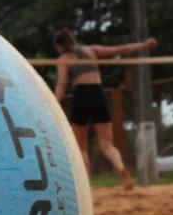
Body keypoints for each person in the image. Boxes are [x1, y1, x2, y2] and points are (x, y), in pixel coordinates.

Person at [53, 29, 155, 190]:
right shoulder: (90, 50)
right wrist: (144, 44)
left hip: (80, 95)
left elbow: (61, 84)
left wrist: (53, 105)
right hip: (97, 94)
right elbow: (118, 49)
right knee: (107, 145)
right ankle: (121, 168)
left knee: (81, 147)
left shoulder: (63, 59)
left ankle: (86, 185)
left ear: (59, 45)